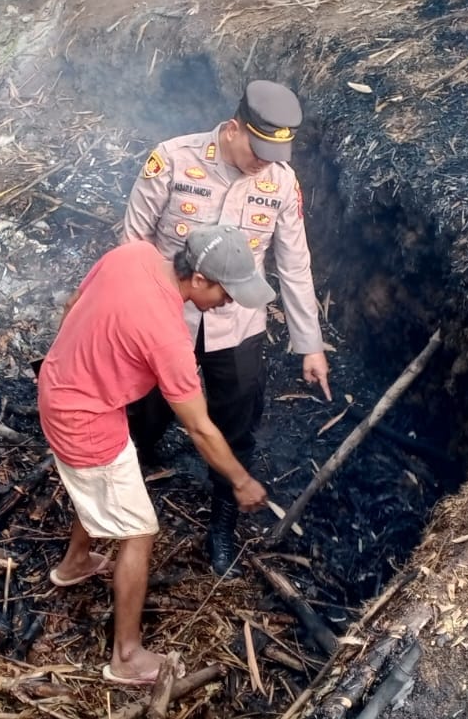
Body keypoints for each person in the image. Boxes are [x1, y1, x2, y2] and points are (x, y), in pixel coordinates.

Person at [40, 227, 270, 684]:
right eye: (228, 292)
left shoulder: (134, 255)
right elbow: (201, 429)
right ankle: (126, 655)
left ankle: (75, 564)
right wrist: (241, 481)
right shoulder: (168, 337)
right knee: (140, 532)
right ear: (201, 279)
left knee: (101, 484)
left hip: (59, 383)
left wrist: (89, 364)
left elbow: (72, 307)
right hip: (83, 420)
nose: (230, 302)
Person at [122, 81, 330, 574]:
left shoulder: (280, 181)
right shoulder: (172, 159)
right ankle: (134, 473)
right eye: (257, 150)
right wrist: (134, 314)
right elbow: (132, 242)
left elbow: (295, 264)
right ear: (234, 129)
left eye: (273, 153)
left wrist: (310, 345)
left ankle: (222, 520)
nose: (263, 162)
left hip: (237, 326)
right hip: (164, 317)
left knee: (236, 423)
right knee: (145, 407)